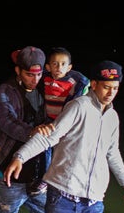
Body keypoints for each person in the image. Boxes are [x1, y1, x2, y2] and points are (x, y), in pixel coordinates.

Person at [3, 60, 124, 213]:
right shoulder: (78, 106)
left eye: (115, 88)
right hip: (62, 196)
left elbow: (112, 153)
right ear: (93, 84)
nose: (111, 92)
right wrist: (20, 156)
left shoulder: (113, 117)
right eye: (106, 87)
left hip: (93, 201)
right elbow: (50, 136)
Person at [0, 46, 50, 213]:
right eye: (29, 74)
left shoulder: (46, 89)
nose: (35, 80)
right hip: (12, 172)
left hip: (40, 172)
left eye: (38, 75)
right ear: (18, 70)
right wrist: (34, 131)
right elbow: (7, 123)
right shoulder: (5, 91)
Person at [28, 47, 90, 196]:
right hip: (48, 120)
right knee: (45, 149)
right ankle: (44, 179)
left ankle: (63, 181)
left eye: (63, 64)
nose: (58, 68)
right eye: (54, 64)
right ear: (48, 67)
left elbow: (79, 100)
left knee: (63, 152)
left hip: (65, 123)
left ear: (69, 67)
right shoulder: (44, 79)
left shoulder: (74, 82)